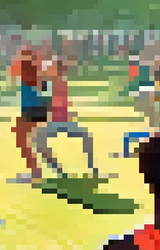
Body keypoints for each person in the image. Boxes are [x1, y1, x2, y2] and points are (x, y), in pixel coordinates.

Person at [32, 57, 99, 179]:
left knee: (86, 137)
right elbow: (61, 101)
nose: (47, 69)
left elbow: (58, 101)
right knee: (38, 141)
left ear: (56, 69)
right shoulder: (50, 82)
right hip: (57, 122)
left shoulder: (58, 82)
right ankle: (61, 170)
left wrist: (47, 104)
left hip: (60, 122)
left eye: (50, 67)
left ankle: (90, 168)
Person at [11, 51, 51, 183]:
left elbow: (12, 71)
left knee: (22, 142)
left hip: (33, 111)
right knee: (24, 141)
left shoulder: (31, 73)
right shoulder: (33, 74)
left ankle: (35, 173)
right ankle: (35, 171)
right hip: (34, 111)